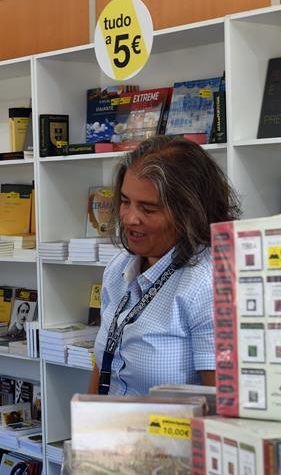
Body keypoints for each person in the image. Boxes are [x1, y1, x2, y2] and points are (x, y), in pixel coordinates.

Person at [88, 136, 241, 396]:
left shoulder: (208, 283)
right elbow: (105, 364)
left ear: (189, 212)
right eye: (125, 201)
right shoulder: (118, 267)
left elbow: (222, 403)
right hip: (108, 421)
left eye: (148, 209)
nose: (130, 218)